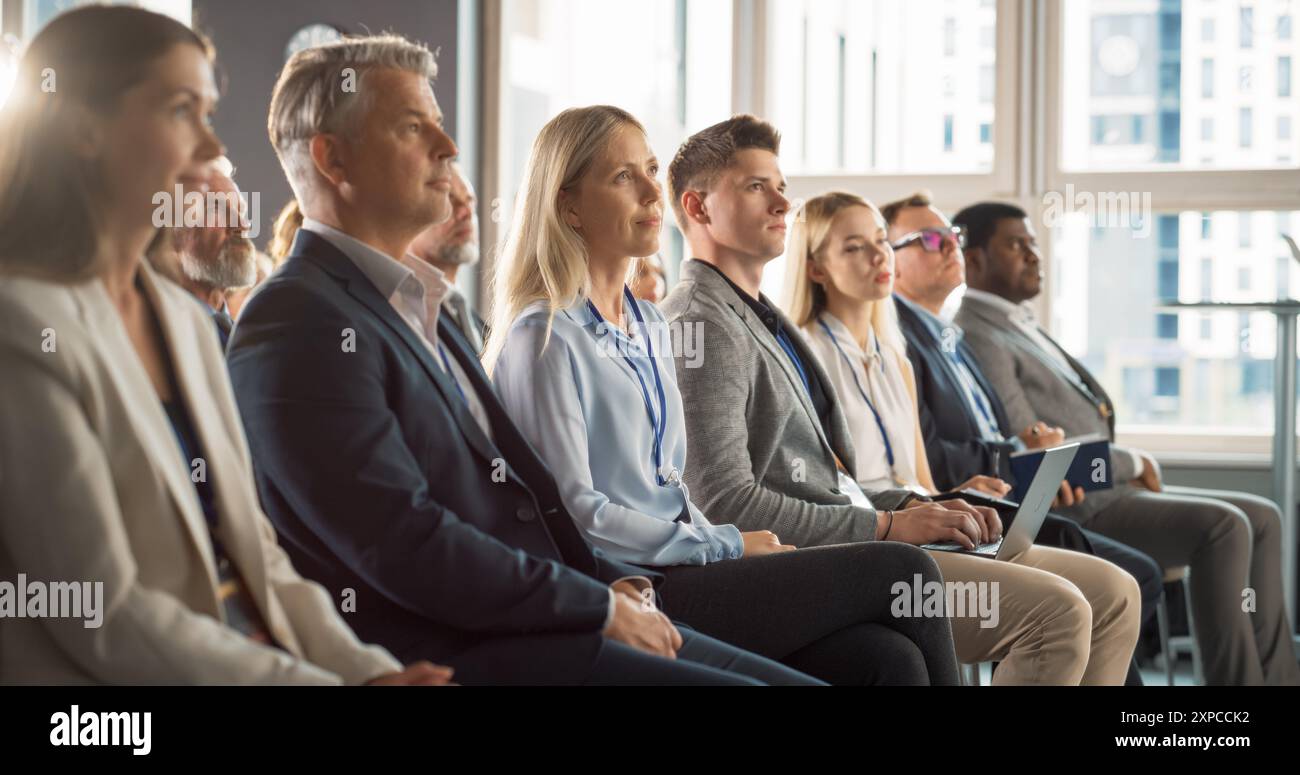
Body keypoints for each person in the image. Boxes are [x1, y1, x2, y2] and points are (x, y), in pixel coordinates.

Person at [228, 36, 818, 685]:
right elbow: (402, 542)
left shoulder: (430, 307)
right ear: (332, 157)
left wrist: (607, 585)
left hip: (548, 611)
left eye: (441, 126)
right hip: (455, 651)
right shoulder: (298, 318)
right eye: (412, 126)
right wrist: (593, 602)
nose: (448, 149)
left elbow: (523, 505)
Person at [0, 6, 445, 686]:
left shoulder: (183, 319)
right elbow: (105, 615)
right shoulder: (23, 328)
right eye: (182, 110)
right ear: (84, 128)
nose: (212, 145)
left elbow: (259, 556)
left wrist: (369, 672)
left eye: (209, 111)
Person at [488, 106, 960, 686]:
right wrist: (722, 544)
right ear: (568, 207)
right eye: (621, 177)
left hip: (688, 561)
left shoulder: (651, 325)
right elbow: (579, 516)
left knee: (887, 658)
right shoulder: (545, 336)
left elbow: (669, 486)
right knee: (904, 572)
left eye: (651, 170)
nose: (649, 191)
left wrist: (720, 545)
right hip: (634, 582)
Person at [661, 116, 1140, 684]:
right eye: (755, 186)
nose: (781, 202)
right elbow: (725, 503)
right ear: (698, 209)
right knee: (1057, 612)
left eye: (781, 185)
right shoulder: (701, 322)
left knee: (1114, 591)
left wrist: (915, 506)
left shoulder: (761, 316)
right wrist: (887, 528)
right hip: (822, 562)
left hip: (859, 532)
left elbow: (831, 483)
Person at [953, 200, 1300, 686]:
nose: (1034, 255)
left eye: (1033, 242)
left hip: (1109, 489)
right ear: (974, 260)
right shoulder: (978, 331)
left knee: (1264, 515)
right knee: (1225, 526)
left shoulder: (1018, 322)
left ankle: (1280, 680)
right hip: (1081, 502)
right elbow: (1037, 451)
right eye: (1016, 244)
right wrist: (1132, 460)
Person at [881, 191, 1163, 636]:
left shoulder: (952, 336)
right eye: (929, 240)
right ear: (888, 259)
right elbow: (930, 455)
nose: (950, 245)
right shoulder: (906, 339)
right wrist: (1022, 455)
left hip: (1024, 489)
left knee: (1129, 575)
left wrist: (1033, 452)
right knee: (1130, 574)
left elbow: (1002, 437)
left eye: (950, 235)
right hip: (980, 502)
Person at [145, 157, 257, 345]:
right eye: (217, 210)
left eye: (242, 211)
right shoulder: (154, 337)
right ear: (169, 231)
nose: (242, 225)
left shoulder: (244, 336)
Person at [407, 161, 486, 352]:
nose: (466, 213)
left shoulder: (478, 325)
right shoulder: (404, 315)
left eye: (469, 200)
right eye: (448, 201)